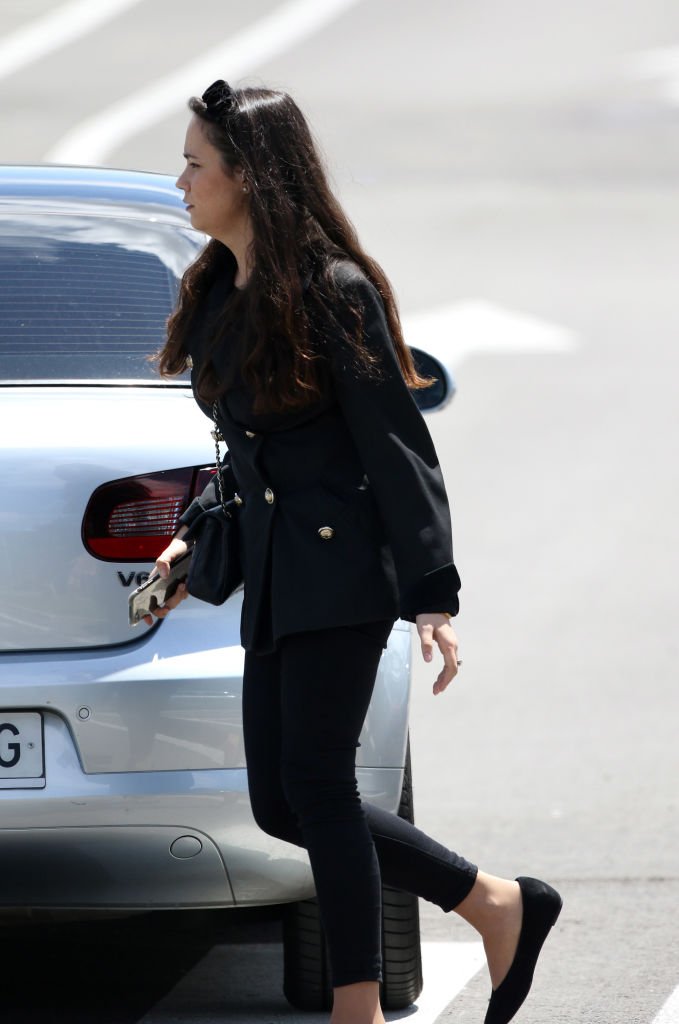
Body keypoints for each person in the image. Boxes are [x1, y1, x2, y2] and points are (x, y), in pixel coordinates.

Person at [147, 80, 561, 1024]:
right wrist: (190, 545)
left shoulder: (335, 291)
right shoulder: (217, 288)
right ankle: (495, 902)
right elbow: (251, 454)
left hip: (339, 575)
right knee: (279, 802)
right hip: (276, 580)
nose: (181, 181)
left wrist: (432, 593)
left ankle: (356, 1008)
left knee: (322, 791)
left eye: (194, 163)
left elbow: (396, 444)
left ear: (247, 176)